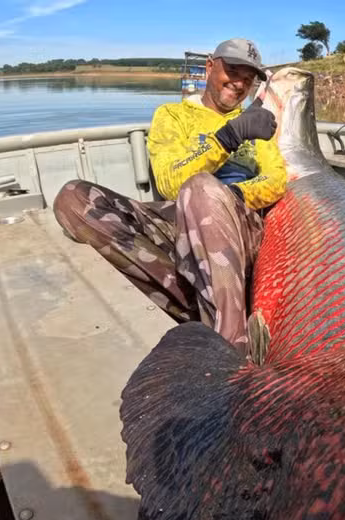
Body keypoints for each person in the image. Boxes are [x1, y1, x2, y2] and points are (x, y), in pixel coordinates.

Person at [52, 38, 287, 356]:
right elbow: (169, 183)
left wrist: (228, 195)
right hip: (178, 219)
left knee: (202, 189)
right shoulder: (172, 116)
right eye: (233, 71)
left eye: (249, 78)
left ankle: (233, 348)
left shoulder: (258, 123)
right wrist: (228, 137)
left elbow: (275, 181)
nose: (240, 83)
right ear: (209, 67)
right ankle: (202, 309)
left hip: (241, 225)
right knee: (73, 199)